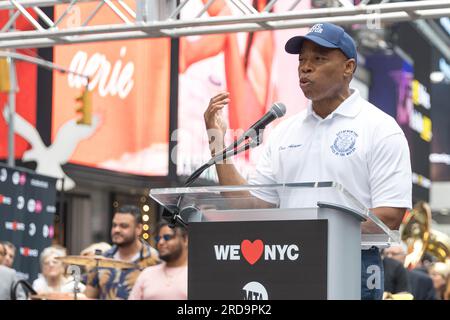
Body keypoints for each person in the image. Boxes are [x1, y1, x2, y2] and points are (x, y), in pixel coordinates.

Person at [204, 22, 412, 300]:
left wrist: (311, 238)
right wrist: (216, 142)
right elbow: (250, 205)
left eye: (319, 58)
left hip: (352, 265)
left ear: (348, 67)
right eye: (302, 60)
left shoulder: (380, 128)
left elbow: (390, 215)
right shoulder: (283, 131)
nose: (305, 67)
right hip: (289, 264)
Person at [85, 205, 160, 300]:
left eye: (123, 226)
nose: (116, 230)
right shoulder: (101, 259)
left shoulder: (156, 260)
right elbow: (88, 296)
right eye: (114, 225)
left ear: (139, 229)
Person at [129, 220, 188, 300]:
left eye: (167, 237)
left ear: (185, 239)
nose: (160, 242)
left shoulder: (197, 275)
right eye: (158, 238)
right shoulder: (147, 273)